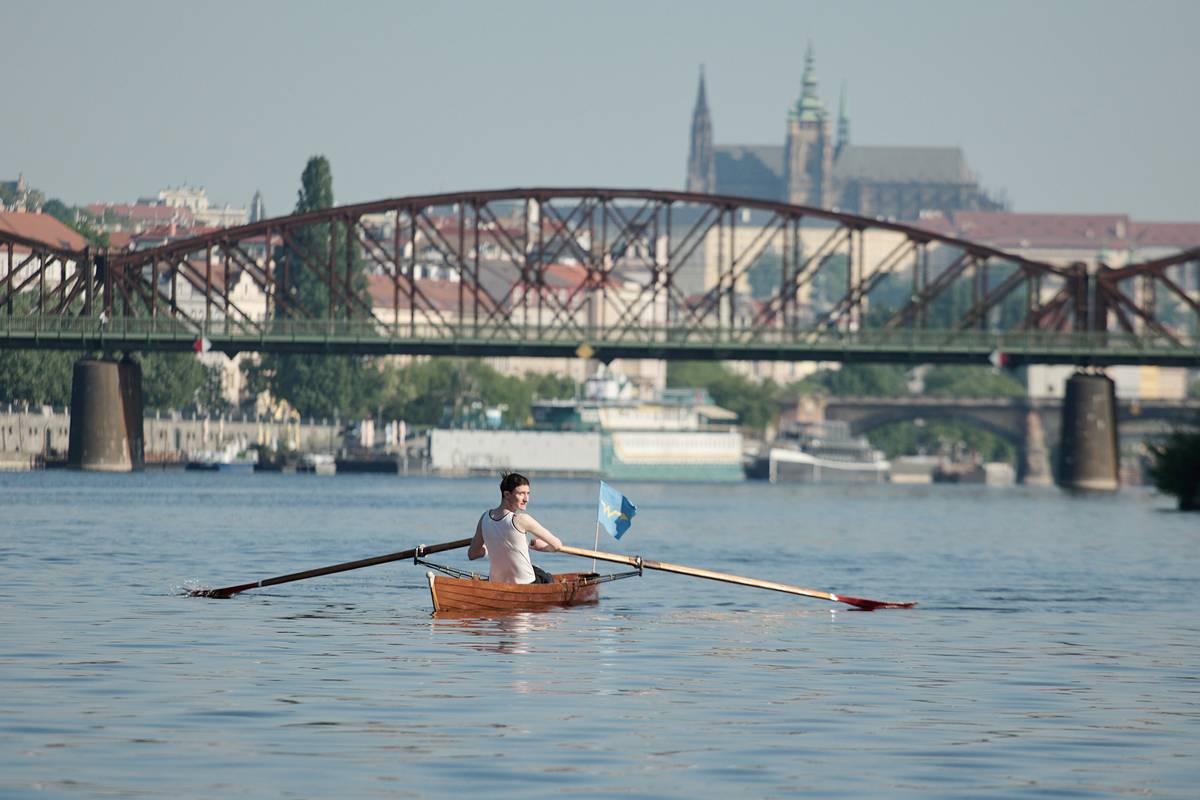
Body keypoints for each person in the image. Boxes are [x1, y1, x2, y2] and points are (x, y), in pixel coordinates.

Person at [468, 472, 562, 584]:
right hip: (526, 584)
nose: (526, 499)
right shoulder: (522, 519)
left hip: (497, 583)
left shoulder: (485, 518)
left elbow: (472, 554)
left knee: (538, 572)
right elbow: (557, 545)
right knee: (548, 577)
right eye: (521, 494)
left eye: (528, 493)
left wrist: (491, 546)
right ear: (507, 494)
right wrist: (542, 547)